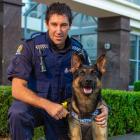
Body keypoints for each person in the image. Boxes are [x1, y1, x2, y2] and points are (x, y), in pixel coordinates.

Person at [7, 2, 108, 140]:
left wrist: (103, 106)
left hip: (62, 111)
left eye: (63, 25)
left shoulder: (78, 51)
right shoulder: (30, 47)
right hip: (35, 106)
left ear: (70, 26)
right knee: (18, 112)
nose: (59, 30)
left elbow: (91, 82)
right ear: (47, 24)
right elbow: (17, 89)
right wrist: (47, 105)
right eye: (54, 24)